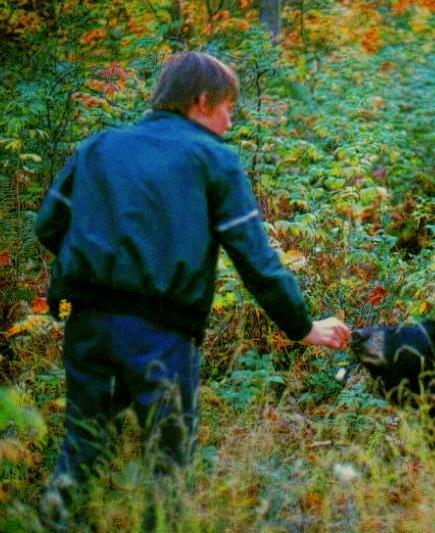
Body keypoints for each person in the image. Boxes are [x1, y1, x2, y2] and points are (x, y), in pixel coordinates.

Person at [36, 51, 350, 524]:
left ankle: (52, 524)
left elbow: (47, 227)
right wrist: (302, 326)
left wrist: (99, 264)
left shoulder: (97, 147)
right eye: (227, 109)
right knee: (168, 463)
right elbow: (256, 260)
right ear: (202, 101)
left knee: (83, 447)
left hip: (88, 325)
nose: (229, 122)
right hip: (162, 334)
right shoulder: (213, 159)